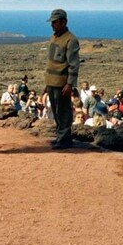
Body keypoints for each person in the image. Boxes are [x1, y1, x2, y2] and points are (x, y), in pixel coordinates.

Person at [45, 9, 80, 149]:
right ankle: (60, 137)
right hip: (51, 81)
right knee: (55, 110)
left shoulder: (71, 40)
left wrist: (70, 84)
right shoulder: (54, 37)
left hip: (61, 83)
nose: (52, 25)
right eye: (52, 22)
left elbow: (73, 65)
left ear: (63, 22)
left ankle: (65, 140)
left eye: (55, 22)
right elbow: (51, 62)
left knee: (63, 111)